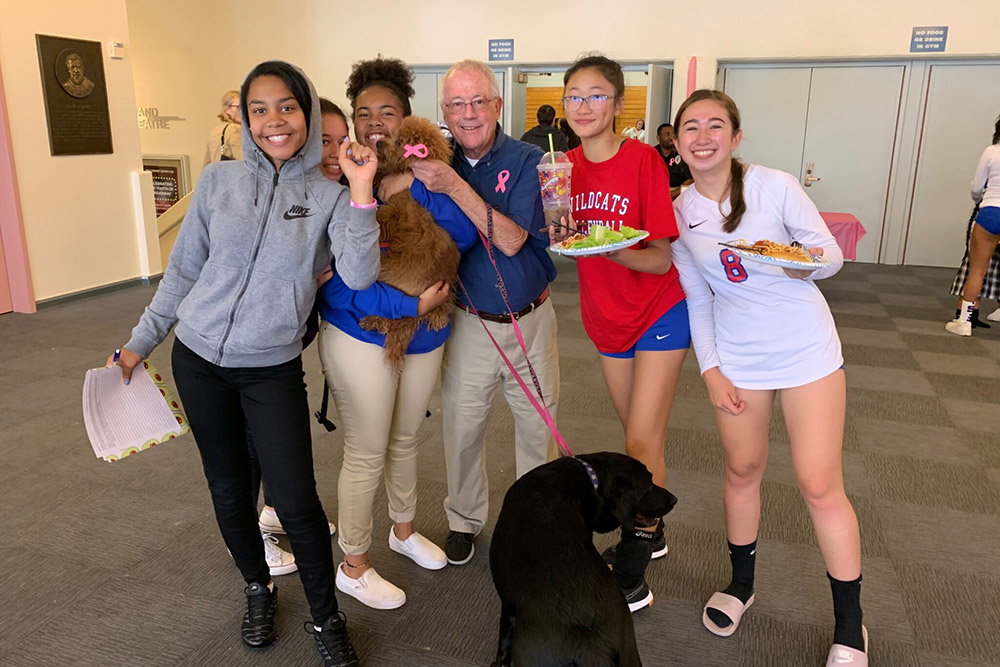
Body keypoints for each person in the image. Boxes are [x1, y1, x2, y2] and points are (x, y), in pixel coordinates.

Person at [108, 60, 380, 667]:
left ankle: (325, 618)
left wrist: (362, 193)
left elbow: (360, 276)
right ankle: (257, 587)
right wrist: (139, 343)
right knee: (230, 490)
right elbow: (182, 272)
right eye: (260, 109)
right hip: (198, 359)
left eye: (286, 106)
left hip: (270, 368)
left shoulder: (331, 196)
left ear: (306, 112)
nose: (274, 121)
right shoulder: (218, 182)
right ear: (245, 117)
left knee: (297, 500)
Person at [670, 89, 867, 666]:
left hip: (806, 351)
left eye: (715, 126)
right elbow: (697, 300)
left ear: (735, 136)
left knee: (818, 483)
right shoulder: (681, 210)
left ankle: (851, 626)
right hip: (739, 357)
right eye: (691, 128)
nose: (702, 137)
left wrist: (789, 258)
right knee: (742, 469)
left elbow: (828, 257)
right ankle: (741, 585)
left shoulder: (773, 186)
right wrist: (709, 370)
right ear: (677, 141)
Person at [316, 57, 477, 610]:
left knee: (406, 439)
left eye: (388, 111)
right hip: (361, 332)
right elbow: (334, 285)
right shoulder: (335, 176)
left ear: (407, 117)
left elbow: (462, 235)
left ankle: (402, 531)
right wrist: (406, 300)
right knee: (365, 450)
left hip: (427, 333)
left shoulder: (430, 167)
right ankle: (353, 563)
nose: (375, 122)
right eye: (364, 113)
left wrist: (416, 182)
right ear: (353, 122)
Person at [405, 59, 560, 566]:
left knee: (538, 431)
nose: (468, 113)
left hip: (530, 320)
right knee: (463, 429)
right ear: (443, 112)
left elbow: (513, 240)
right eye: (456, 104)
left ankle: (535, 527)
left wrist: (451, 185)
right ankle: (463, 520)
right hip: (468, 322)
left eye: (478, 101)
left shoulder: (528, 158)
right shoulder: (429, 161)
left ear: (497, 105)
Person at [554, 54, 689, 613]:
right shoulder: (561, 168)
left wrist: (609, 245)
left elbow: (659, 260)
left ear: (617, 103)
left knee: (640, 442)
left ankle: (631, 573)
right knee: (635, 430)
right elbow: (562, 236)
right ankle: (650, 527)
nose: (584, 106)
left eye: (596, 95)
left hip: (659, 310)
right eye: (574, 96)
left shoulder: (643, 162)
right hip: (604, 315)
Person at [252, 97, 351, 561]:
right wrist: (303, 276)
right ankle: (256, 532)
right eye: (323, 141)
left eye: (340, 140)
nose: (332, 152)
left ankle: (275, 507)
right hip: (252, 335)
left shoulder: (343, 192)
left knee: (281, 420)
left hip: (299, 324)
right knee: (257, 428)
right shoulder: (284, 192)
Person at [947, 114, 1000, 336]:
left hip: (991, 212)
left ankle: (964, 322)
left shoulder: (992, 151)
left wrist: (980, 200)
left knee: (977, 270)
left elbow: (977, 187)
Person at [949, 203, 1000, 329]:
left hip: (989, 217)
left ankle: (965, 317)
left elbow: (976, 190)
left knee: (975, 273)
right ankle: (971, 315)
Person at [203, 90, 244, 166]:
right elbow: (244, 161)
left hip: (217, 176)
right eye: (239, 107)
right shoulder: (236, 129)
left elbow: (207, 164)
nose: (243, 111)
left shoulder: (214, 131)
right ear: (227, 110)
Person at [654, 122, 692, 192]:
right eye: (667, 134)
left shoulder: (682, 153)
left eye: (673, 135)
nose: (671, 138)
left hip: (678, 193)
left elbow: (690, 180)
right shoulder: (652, 154)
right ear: (658, 138)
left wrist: (675, 193)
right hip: (655, 192)